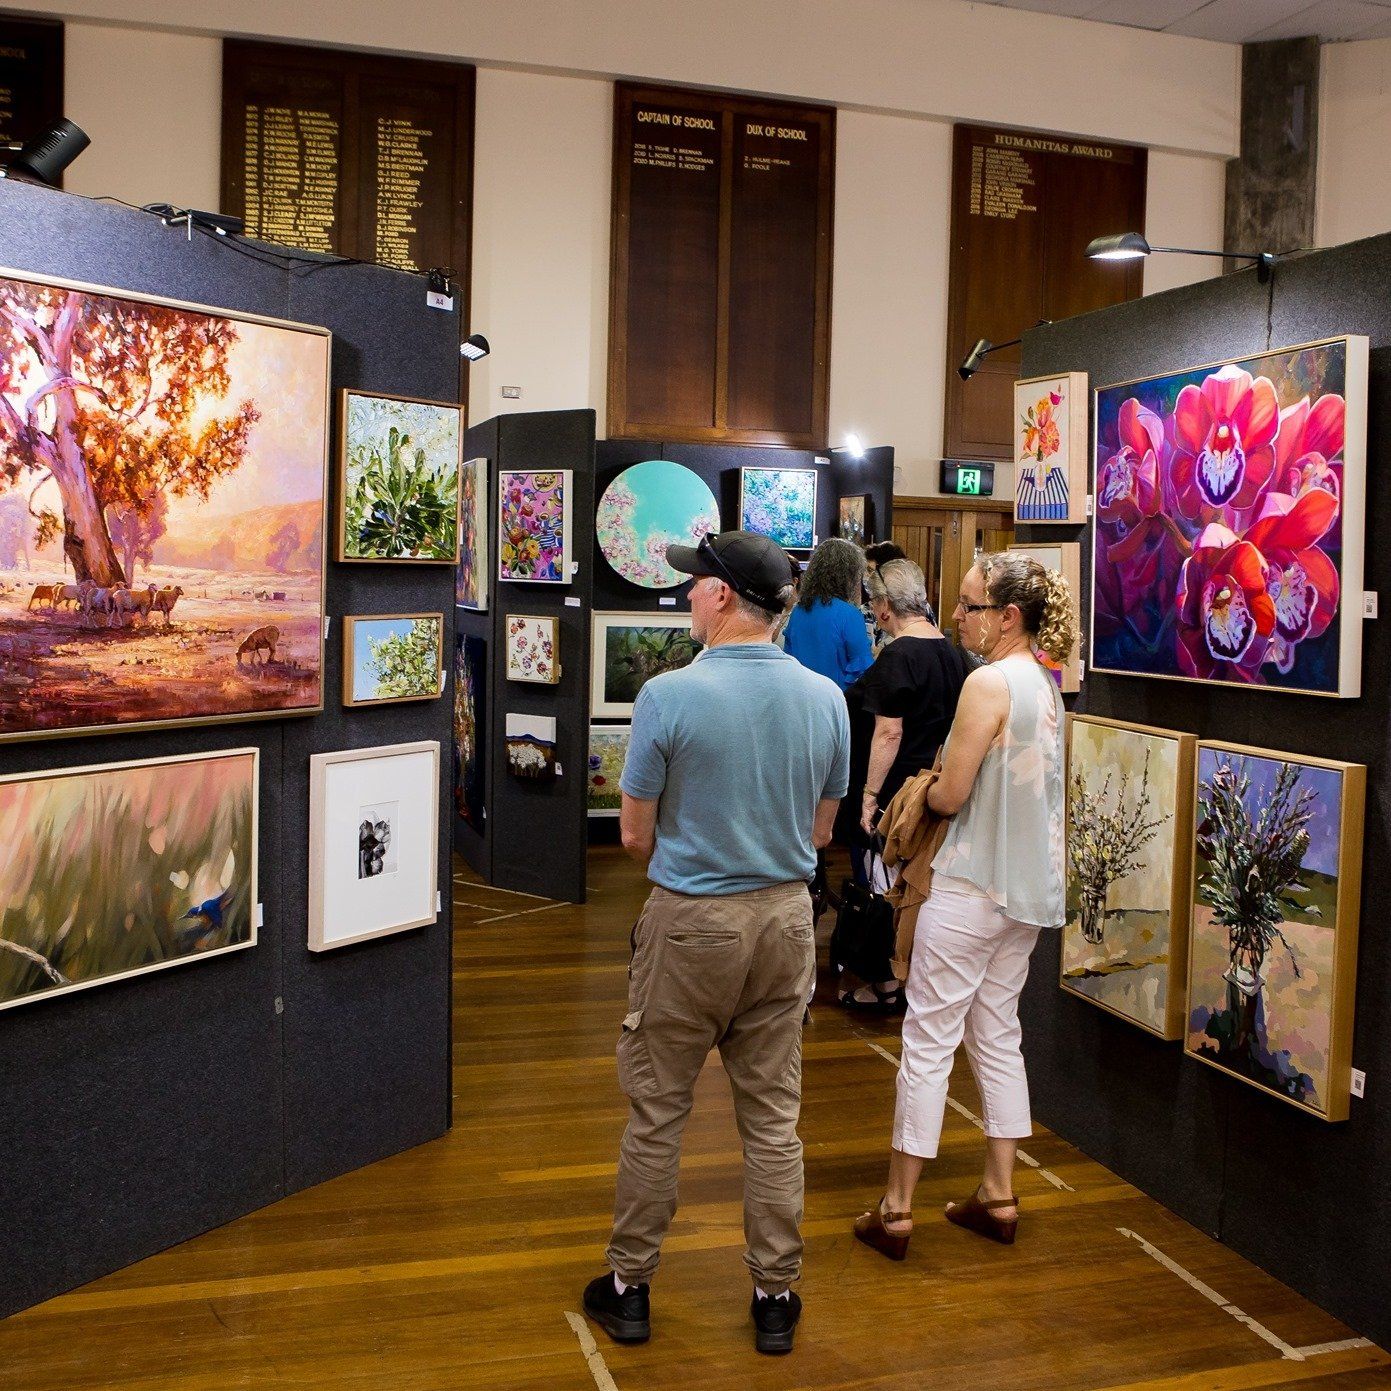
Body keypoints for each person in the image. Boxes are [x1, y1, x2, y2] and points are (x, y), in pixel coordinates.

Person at [582, 530, 850, 1356]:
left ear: (724, 596)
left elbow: (632, 835)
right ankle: (775, 1295)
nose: (686, 595)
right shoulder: (826, 698)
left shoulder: (669, 695)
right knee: (772, 1118)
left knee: (658, 1111)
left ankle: (629, 1287)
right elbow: (821, 827)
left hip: (692, 921)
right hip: (784, 920)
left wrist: (699, 867)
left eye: (694, 583)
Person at [852, 551, 1074, 1260]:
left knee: (926, 1042)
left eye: (969, 604)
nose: (955, 614)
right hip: (1023, 894)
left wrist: (926, 786)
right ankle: (998, 1193)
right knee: (997, 1033)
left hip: (971, 884)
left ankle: (894, 1208)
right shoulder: (1045, 685)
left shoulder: (988, 682)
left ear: (1007, 616)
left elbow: (949, 794)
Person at [838, 559, 966, 1009]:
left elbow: (889, 733)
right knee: (917, 887)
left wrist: (869, 798)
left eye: (872, 605)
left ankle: (888, 983)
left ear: (885, 606)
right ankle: (911, 979)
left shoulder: (899, 655)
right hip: (935, 786)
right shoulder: (952, 652)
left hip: (899, 793)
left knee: (885, 885)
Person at [782, 537, 874, 690]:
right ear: (849, 576)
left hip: (802, 697)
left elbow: (788, 662)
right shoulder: (850, 614)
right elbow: (864, 669)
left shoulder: (797, 612)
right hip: (837, 700)